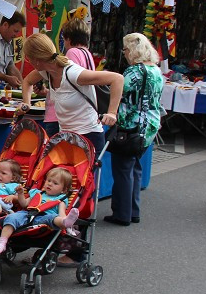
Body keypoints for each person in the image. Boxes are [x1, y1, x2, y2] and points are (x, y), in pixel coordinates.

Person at [17, 32, 124, 266]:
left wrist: (112, 113)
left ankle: (76, 252)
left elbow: (117, 79)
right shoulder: (46, 71)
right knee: (57, 191)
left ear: (37, 58)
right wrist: (26, 101)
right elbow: (27, 81)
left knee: (79, 193)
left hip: (88, 137)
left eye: (29, 57)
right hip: (67, 139)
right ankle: (55, 243)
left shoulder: (73, 73)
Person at [104, 33, 164, 226]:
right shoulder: (155, 70)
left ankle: (122, 213)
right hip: (150, 126)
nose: (124, 53)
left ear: (133, 50)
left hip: (131, 125)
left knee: (122, 169)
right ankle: (133, 210)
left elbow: (118, 90)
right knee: (134, 168)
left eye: (126, 49)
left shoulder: (134, 71)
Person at [0, 167, 79, 256]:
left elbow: (62, 214)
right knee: (11, 218)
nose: (50, 184)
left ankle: (66, 222)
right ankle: (2, 243)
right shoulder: (36, 193)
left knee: (53, 218)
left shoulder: (60, 199)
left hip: (44, 218)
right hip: (27, 214)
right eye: (48, 181)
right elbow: (24, 204)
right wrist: (20, 194)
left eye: (55, 183)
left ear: (63, 190)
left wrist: (63, 220)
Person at [30, 18, 94, 137]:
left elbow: (68, 83)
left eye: (63, 39)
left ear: (68, 39)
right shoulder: (87, 53)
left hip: (61, 116)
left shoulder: (72, 53)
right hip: (81, 117)